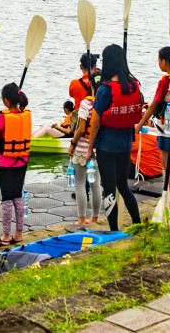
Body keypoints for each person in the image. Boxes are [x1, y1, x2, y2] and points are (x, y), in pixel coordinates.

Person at [87, 44, 143, 232]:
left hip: (106, 147)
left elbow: (95, 123)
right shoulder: (135, 86)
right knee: (124, 187)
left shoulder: (105, 90)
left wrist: (89, 149)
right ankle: (137, 224)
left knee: (109, 190)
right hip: (126, 143)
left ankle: (114, 232)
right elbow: (138, 109)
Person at [136, 46, 170, 213]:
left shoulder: (166, 81)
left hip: (167, 126)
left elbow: (153, 106)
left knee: (169, 164)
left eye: (159, 60)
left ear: (164, 62)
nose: (158, 63)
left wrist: (139, 124)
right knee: (168, 160)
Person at [0, 83, 31, 245]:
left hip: (6, 163)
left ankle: (6, 235)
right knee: (18, 197)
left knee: (7, 199)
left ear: (6, 101)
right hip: (22, 161)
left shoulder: (3, 117)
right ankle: (19, 233)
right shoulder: (25, 114)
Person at [67, 76, 102, 226]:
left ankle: (81, 219)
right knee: (96, 184)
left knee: (80, 184)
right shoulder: (104, 103)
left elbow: (81, 129)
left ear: (90, 85)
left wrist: (72, 143)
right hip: (98, 148)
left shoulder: (86, 103)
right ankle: (94, 217)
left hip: (82, 147)